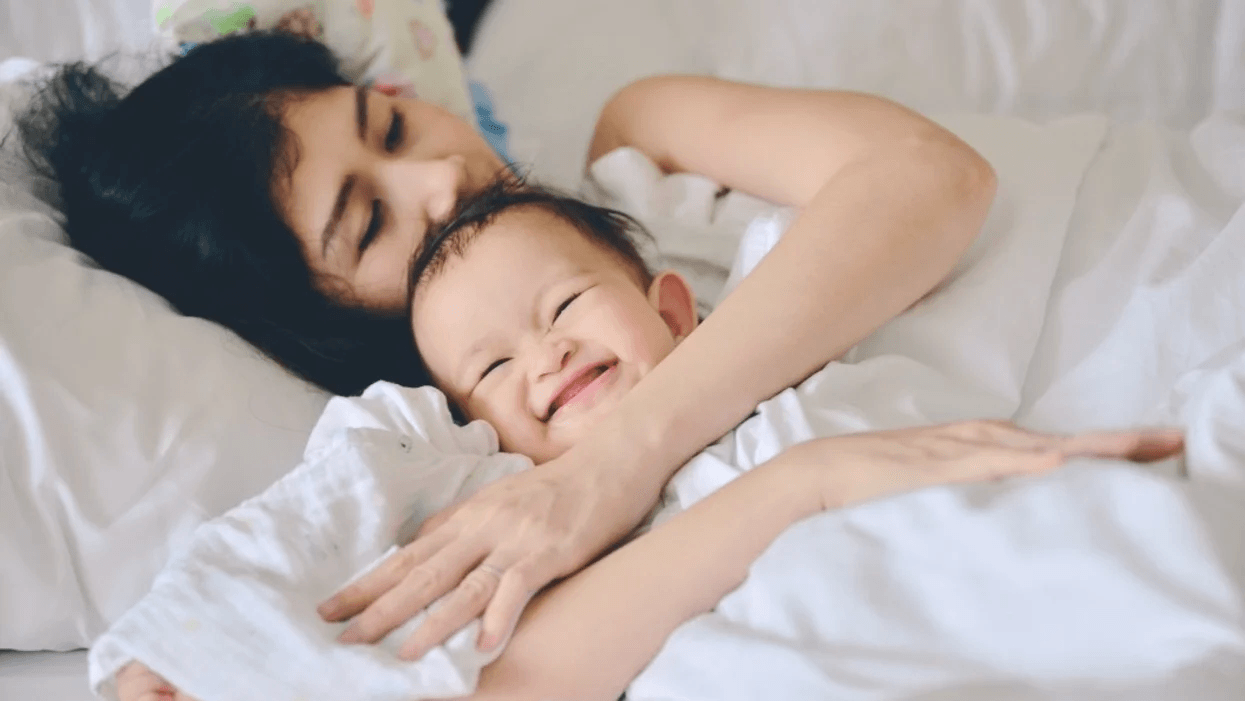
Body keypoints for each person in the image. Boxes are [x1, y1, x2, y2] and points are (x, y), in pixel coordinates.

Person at [17, 29, 1002, 658]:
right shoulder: (478, 464)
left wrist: (622, 458)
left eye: (392, 127)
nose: (439, 179)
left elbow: (929, 176)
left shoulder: (640, 137)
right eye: (367, 226)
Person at [113, 180, 1184, 701]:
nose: (543, 354)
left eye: (569, 301)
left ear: (674, 310)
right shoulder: (526, 529)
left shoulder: (786, 354)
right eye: (491, 369)